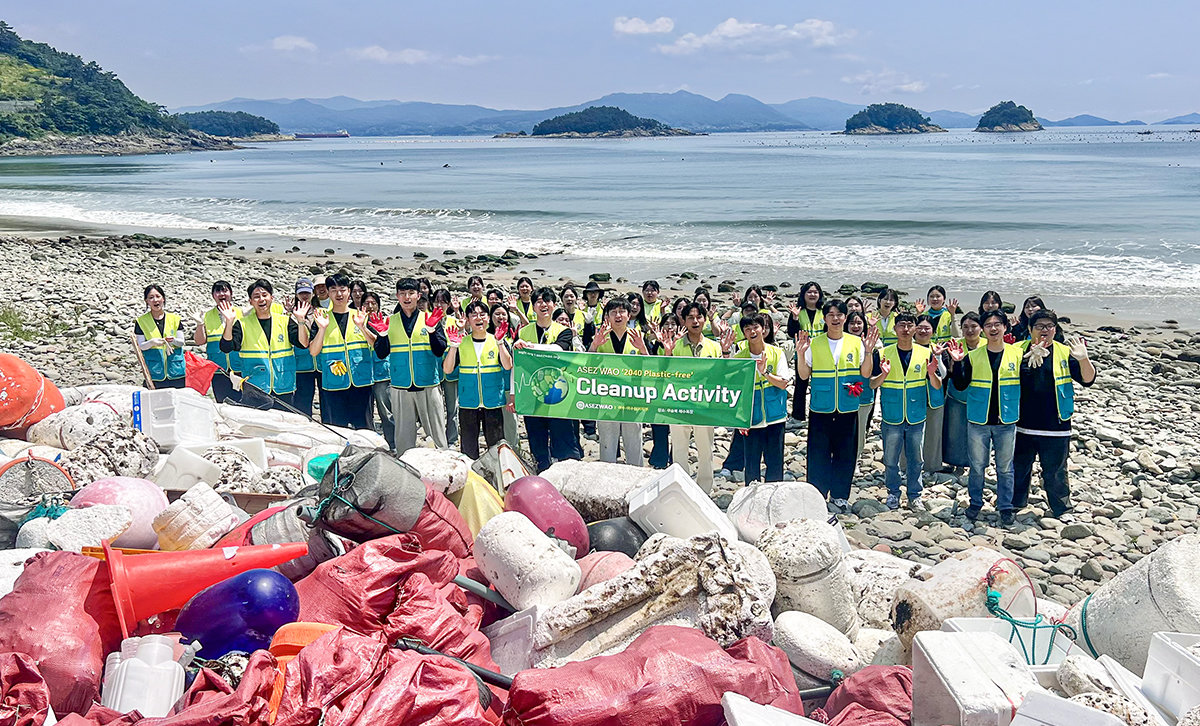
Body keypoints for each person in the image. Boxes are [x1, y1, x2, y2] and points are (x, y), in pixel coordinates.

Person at [1013, 310, 1096, 518]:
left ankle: (1061, 508)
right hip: (1022, 423)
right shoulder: (1016, 351)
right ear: (1030, 329)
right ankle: (1015, 503)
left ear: (1055, 329)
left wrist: (1084, 359)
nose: (1045, 330)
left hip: (1056, 425)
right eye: (1039, 326)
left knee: (1056, 470)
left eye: (1049, 326)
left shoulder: (1064, 352)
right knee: (1019, 466)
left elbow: (1088, 380)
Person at [797, 299, 877, 508]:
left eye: (839, 315)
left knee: (845, 452)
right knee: (818, 452)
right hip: (821, 406)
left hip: (848, 405)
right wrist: (799, 354)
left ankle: (840, 494)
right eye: (831, 315)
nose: (835, 319)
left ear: (845, 317)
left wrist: (868, 352)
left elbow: (866, 373)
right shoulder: (815, 343)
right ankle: (817, 494)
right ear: (824, 318)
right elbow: (804, 374)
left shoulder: (855, 342)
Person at [948, 310, 1022, 526]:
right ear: (983, 329)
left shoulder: (1016, 355)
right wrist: (958, 363)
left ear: (1005, 327)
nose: (993, 328)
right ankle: (976, 503)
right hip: (978, 420)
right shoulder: (973, 356)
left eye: (997, 324)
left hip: (1006, 420)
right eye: (988, 324)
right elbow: (960, 384)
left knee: (1005, 467)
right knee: (977, 466)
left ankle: (1006, 506)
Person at [869, 312, 941, 511]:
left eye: (910, 325)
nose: (906, 329)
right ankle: (893, 493)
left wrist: (931, 373)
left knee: (916, 459)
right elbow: (872, 383)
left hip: (916, 414)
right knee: (891, 459)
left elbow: (936, 385)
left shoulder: (926, 353)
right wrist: (883, 374)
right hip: (892, 415)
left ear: (916, 328)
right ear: (895, 328)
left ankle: (914, 494)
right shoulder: (883, 353)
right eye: (902, 325)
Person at [371, 277, 448, 451]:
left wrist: (432, 330)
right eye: (403, 294)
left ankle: (444, 467)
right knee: (403, 438)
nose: (407, 297)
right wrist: (382, 336)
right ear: (397, 296)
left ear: (418, 295)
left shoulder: (430, 318)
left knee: (436, 436)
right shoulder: (390, 322)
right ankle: (405, 470)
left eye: (411, 293)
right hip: (400, 385)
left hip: (428, 383)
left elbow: (440, 349)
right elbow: (382, 353)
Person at [661, 302, 731, 492]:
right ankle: (681, 489)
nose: (695, 321)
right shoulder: (674, 345)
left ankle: (704, 490)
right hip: (678, 404)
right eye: (690, 317)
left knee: (705, 449)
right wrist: (668, 352)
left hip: (704, 405)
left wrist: (725, 353)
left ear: (705, 320)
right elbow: (663, 373)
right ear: (683, 320)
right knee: (679, 449)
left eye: (698, 317)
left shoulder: (714, 347)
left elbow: (722, 375)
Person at [514, 287, 580, 471]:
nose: (543, 305)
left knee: (565, 443)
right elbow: (517, 365)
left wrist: (529, 347)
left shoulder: (563, 331)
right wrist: (513, 395)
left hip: (559, 394)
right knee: (537, 444)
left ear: (554, 305)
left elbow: (559, 349)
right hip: (532, 395)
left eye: (547, 301)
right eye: (539, 302)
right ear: (533, 307)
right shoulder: (523, 332)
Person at [219, 279, 311, 409]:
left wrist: (300, 320)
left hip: (283, 386)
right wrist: (229, 322)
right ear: (250, 301)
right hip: (255, 388)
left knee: (283, 425)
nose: (261, 299)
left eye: (264, 295)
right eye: (256, 297)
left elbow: (303, 343)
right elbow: (226, 347)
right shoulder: (242, 324)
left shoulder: (284, 321)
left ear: (271, 298)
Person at [444, 300, 513, 458]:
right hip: (469, 402)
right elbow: (447, 370)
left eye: (482, 314)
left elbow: (508, 365)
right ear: (467, 319)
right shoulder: (461, 343)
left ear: (488, 318)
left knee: (496, 447)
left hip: (493, 401)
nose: (478, 318)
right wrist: (453, 346)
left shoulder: (497, 340)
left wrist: (501, 342)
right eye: (473, 315)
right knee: (468, 448)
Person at [308, 273, 374, 429]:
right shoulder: (322, 319)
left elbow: (375, 344)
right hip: (334, 384)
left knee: (365, 429)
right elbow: (313, 351)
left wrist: (362, 327)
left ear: (349, 291)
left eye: (342, 289)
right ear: (328, 293)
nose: (338, 294)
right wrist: (322, 329)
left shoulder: (360, 316)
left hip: (361, 383)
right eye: (333, 289)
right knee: (337, 429)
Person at [590, 297, 649, 466]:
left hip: (632, 397)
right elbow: (587, 366)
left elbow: (652, 368)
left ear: (629, 315)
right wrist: (594, 346)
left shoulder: (639, 336)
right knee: (607, 442)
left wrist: (643, 349)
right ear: (607, 316)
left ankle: (638, 476)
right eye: (613, 312)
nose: (618, 315)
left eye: (622, 311)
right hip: (606, 397)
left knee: (634, 441)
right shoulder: (601, 337)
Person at [735, 313, 791, 484]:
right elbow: (735, 392)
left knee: (775, 462)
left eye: (755, 327)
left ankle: (774, 499)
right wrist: (738, 421)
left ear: (763, 329)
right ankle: (751, 500)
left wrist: (765, 372)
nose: (752, 332)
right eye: (747, 329)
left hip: (775, 416)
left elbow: (783, 383)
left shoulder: (776, 353)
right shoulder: (739, 358)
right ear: (744, 334)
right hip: (751, 418)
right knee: (751, 464)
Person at [942, 311, 983, 473]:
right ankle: (954, 462)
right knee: (954, 431)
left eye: (974, 326)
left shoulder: (988, 345)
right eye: (965, 327)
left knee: (978, 433)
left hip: (981, 396)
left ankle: (976, 463)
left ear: (981, 328)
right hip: (956, 396)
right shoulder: (954, 344)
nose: (969, 330)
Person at [912, 315, 950, 476]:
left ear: (933, 331)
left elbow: (944, 374)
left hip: (934, 396)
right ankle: (910, 465)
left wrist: (939, 357)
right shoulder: (908, 348)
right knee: (913, 434)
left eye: (927, 328)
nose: (923, 331)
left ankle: (932, 465)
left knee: (934, 432)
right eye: (919, 327)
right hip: (912, 397)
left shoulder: (938, 349)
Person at [194, 280, 240, 402]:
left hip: (240, 367)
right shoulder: (208, 315)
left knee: (244, 404)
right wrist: (200, 324)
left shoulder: (241, 313)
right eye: (218, 291)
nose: (221, 294)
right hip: (218, 369)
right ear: (213, 296)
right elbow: (200, 341)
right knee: (222, 402)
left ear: (231, 293)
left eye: (225, 290)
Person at [786, 281, 824, 424]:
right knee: (801, 385)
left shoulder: (824, 312)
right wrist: (794, 318)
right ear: (803, 294)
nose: (812, 295)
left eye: (815, 292)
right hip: (802, 354)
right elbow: (791, 332)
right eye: (809, 292)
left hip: (821, 354)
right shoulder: (798, 311)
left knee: (819, 384)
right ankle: (798, 416)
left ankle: (818, 412)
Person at [135, 284, 187, 389]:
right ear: (146, 301)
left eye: (158, 296)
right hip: (154, 372)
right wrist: (152, 342)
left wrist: (173, 340)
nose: (155, 300)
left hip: (176, 371)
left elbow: (181, 342)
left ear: (163, 298)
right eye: (151, 297)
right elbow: (140, 346)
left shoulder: (175, 319)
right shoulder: (141, 321)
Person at [361, 292, 394, 449]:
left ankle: (392, 443)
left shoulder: (385, 322)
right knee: (365, 412)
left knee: (386, 412)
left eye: (373, 303)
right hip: (363, 373)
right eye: (366, 303)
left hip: (382, 372)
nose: (370, 306)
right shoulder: (357, 322)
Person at [845, 311, 878, 467]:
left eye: (859, 323)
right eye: (852, 323)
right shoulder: (841, 343)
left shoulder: (873, 345)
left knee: (860, 431)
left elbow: (875, 372)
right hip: (842, 395)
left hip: (863, 395)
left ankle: (855, 460)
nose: (856, 326)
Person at [489, 302, 522, 450]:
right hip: (492, 385)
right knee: (495, 422)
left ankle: (514, 450)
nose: (500, 317)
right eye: (497, 314)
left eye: (503, 314)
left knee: (510, 422)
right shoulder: (486, 336)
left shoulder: (512, 336)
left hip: (509, 384)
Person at [431, 289, 461, 447]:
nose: (439, 304)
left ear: (448, 304)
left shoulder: (454, 321)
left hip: (452, 371)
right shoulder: (427, 320)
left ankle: (452, 439)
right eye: (436, 301)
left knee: (452, 407)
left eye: (443, 301)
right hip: (433, 371)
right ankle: (436, 438)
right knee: (435, 408)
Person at [290, 278, 319, 418]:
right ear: (296, 295)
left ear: (313, 293)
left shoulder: (320, 312)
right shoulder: (291, 315)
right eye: (301, 293)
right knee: (303, 398)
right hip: (301, 364)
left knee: (325, 399)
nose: (305, 296)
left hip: (320, 363)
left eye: (307, 293)